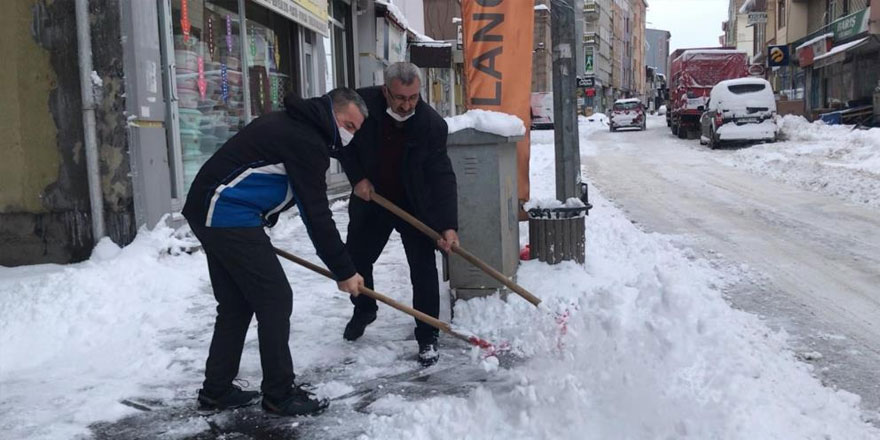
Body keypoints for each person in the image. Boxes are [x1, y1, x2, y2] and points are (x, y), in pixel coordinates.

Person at [182, 88, 367, 416]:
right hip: (225, 213)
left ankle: (217, 390)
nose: (349, 135)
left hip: (215, 210)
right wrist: (344, 270)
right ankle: (279, 395)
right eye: (348, 126)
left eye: (355, 130)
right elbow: (316, 215)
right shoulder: (305, 141)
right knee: (275, 298)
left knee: (237, 304)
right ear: (331, 113)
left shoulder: (298, 127)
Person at [338, 62, 459, 367]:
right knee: (356, 259)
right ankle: (365, 308)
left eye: (413, 98)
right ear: (385, 91)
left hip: (414, 205)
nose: (406, 105)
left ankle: (428, 335)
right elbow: (342, 143)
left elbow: (441, 176)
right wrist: (357, 179)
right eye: (399, 98)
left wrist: (447, 226)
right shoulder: (360, 107)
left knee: (423, 270)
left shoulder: (431, 125)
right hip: (372, 199)